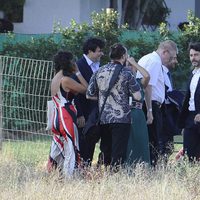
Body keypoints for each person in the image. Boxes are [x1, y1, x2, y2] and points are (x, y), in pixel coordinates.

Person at [86, 43, 141, 171]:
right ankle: (115, 176)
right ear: (123, 56)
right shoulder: (127, 73)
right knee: (119, 151)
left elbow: (89, 95)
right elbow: (138, 96)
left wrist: (105, 97)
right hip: (122, 118)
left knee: (106, 149)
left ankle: (104, 173)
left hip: (104, 117)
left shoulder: (99, 71)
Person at [136, 40, 178, 166]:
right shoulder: (155, 61)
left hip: (149, 104)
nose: (170, 60)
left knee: (151, 139)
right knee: (154, 140)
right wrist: (150, 111)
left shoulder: (147, 58)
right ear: (165, 52)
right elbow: (148, 86)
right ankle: (152, 167)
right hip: (151, 104)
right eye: (171, 57)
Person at [47, 51, 88, 177]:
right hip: (66, 116)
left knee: (56, 147)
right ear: (67, 63)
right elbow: (86, 89)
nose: (74, 63)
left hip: (55, 115)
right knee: (71, 146)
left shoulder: (55, 78)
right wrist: (78, 72)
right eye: (72, 61)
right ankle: (69, 177)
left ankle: (52, 174)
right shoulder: (66, 80)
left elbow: (67, 94)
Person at [75, 37, 105, 166]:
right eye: (99, 51)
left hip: (97, 112)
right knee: (82, 141)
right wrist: (79, 113)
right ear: (90, 51)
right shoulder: (79, 65)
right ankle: (81, 167)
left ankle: (87, 167)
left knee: (92, 140)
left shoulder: (100, 66)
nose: (101, 53)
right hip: (84, 111)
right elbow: (74, 92)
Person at [126, 57, 151, 165]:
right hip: (126, 114)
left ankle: (143, 168)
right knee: (128, 143)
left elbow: (147, 76)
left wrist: (134, 63)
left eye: (130, 65)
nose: (129, 67)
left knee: (141, 141)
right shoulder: (122, 82)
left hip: (138, 114)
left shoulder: (138, 82)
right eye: (127, 65)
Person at [178, 42, 200, 162]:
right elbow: (188, 98)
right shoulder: (193, 74)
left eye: (196, 55)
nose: (193, 58)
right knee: (189, 154)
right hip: (190, 119)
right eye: (191, 55)